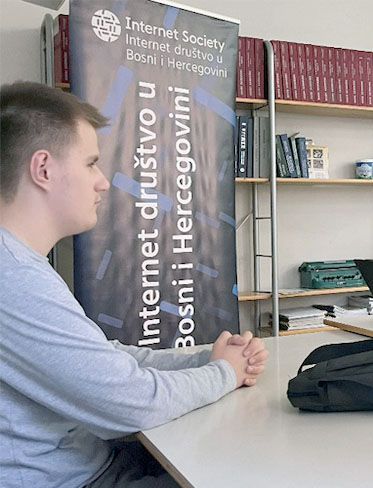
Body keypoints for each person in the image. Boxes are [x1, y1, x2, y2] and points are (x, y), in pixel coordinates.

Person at [0, 81, 269, 487]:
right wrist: (224, 374)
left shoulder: (20, 263)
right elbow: (133, 403)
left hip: (95, 461)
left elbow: (101, 359)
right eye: (90, 163)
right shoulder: (13, 278)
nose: (103, 181)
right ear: (44, 169)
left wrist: (204, 360)